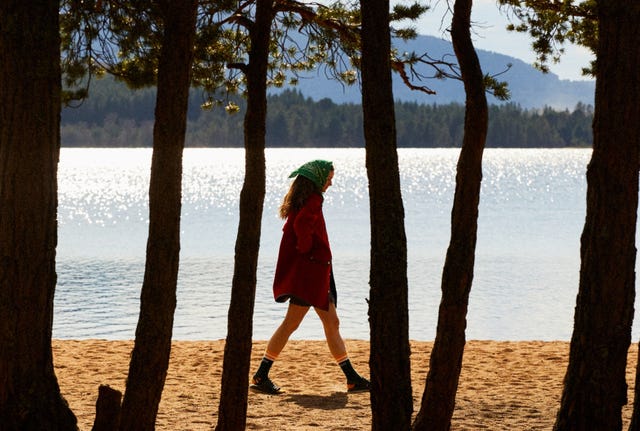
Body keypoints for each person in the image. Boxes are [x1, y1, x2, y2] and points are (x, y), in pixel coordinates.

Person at [251, 159, 370, 395]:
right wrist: (309, 250)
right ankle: (262, 374)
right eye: (328, 179)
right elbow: (303, 227)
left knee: (320, 323)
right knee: (307, 323)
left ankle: (350, 377)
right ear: (318, 179)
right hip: (312, 273)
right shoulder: (313, 200)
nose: (331, 183)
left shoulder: (304, 200)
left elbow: (298, 226)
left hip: (314, 271)